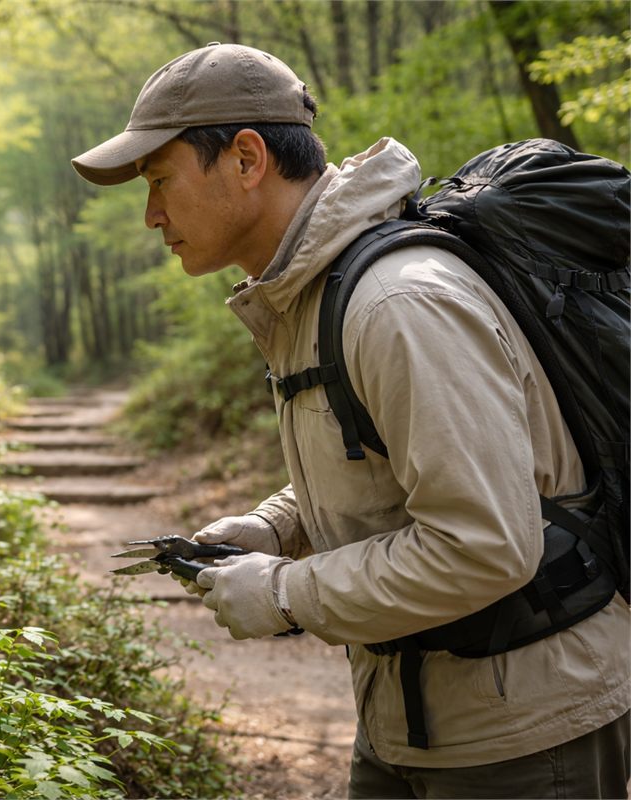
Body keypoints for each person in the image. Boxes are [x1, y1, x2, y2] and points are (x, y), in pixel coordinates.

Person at [71, 42, 630, 799]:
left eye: (160, 179)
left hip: (525, 734)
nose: (150, 215)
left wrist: (281, 594)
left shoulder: (398, 304)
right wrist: (277, 527)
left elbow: (484, 545)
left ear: (245, 158)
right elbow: (387, 458)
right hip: (410, 723)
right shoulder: (309, 293)